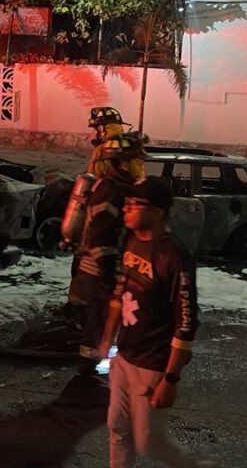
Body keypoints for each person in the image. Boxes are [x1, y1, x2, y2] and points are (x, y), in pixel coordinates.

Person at [99, 176, 208, 468]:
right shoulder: (132, 240)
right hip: (125, 357)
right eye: (127, 202)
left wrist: (170, 379)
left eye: (135, 204)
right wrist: (108, 336)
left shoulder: (174, 256)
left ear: (158, 211)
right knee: (117, 427)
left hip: (153, 365)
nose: (126, 208)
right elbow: (121, 290)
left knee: (148, 441)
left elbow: (186, 322)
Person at [74, 131, 147, 376]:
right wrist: (108, 273)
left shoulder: (121, 188)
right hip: (100, 270)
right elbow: (100, 235)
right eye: (137, 160)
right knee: (99, 320)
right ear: (121, 163)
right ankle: (87, 373)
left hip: (108, 269)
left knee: (103, 319)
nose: (141, 166)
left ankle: (94, 364)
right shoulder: (110, 191)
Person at [86, 107, 129, 176]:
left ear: (103, 128)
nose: (95, 132)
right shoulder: (128, 145)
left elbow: (92, 176)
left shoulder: (101, 149)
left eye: (97, 128)